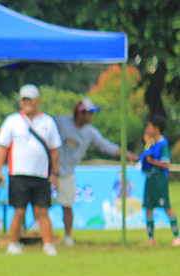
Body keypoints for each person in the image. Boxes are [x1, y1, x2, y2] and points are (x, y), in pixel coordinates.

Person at [55, 97, 137, 246]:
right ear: (80, 113)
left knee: (67, 205)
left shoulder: (90, 132)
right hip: (49, 170)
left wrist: (125, 153)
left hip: (67, 173)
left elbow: (105, 145)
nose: (92, 117)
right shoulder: (61, 122)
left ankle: (67, 237)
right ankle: (38, 231)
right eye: (89, 113)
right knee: (39, 203)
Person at [0, 84, 62, 256]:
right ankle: (14, 243)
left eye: (30, 99)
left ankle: (48, 244)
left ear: (38, 101)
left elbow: (54, 150)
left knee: (43, 211)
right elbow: (2, 147)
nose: (28, 103)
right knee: (19, 211)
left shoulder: (48, 122)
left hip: (41, 175)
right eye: (24, 99)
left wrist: (55, 173)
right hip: (18, 174)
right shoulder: (12, 121)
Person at [138, 114, 180, 247]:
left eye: (149, 127)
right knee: (148, 207)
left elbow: (166, 163)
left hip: (159, 179)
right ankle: (151, 238)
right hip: (150, 178)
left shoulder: (163, 144)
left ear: (156, 128)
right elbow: (145, 158)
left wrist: (152, 162)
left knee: (166, 206)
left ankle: (177, 236)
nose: (147, 129)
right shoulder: (150, 144)